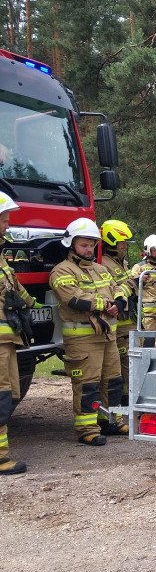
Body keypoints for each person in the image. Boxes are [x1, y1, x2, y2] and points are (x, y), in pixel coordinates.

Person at [49, 217, 129, 445]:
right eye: (84, 245)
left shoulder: (101, 269)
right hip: (83, 339)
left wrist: (120, 302)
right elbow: (74, 299)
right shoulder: (61, 271)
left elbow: (117, 288)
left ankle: (110, 421)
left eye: (92, 245)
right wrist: (106, 304)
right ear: (71, 244)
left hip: (107, 336)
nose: (89, 249)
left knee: (113, 381)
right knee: (88, 385)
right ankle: (86, 429)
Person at [0, 194, 38, 474]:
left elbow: (11, 286)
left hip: (7, 340)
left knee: (9, 394)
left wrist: (32, 305)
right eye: (4, 220)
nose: (8, 225)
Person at [99, 219, 137, 405]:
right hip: (119, 324)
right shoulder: (104, 264)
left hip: (129, 321)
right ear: (111, 242)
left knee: (130, 362)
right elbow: (115, 291)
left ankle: (128, 399)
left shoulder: (121, 262)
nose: (125, 246)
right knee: (124, 364)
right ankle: (125, 401)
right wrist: (134, 283)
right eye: (122, 242)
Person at [132, 235, 156, 347]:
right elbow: (132, 288)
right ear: (148, 250)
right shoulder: (139, 268)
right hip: (149, 314)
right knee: (147, 343)